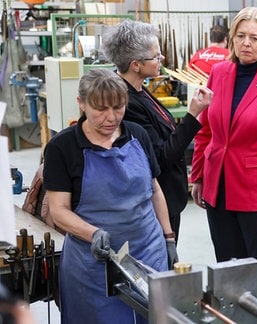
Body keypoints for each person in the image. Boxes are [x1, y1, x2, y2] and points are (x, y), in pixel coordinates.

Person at [43, 69, 179, 323]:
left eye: (118, 107)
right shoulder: (63, 148)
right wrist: (92, 233)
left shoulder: (138, 135)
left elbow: (155, 190)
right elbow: (58, 210)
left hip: (148, 253)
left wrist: (168, 238)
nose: (111, 117)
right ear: (81, 104)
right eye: (101, 109)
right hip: (93, 265)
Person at [189, 7, 257, 311]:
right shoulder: (219, 73)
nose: (247, 43)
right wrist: (197, 175)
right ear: (232, 38)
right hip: (218, 187)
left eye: (254, 37)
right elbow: (206, 129)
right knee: (227, 268)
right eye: (241, 36)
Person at [102, 20, 213, 244]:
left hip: (168, 196)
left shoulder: (139, 89)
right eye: (155, 56)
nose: (160, 59)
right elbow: (160, 157)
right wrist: (192, 116)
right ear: (135, 65)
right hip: (155, 203)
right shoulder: (127, 103)